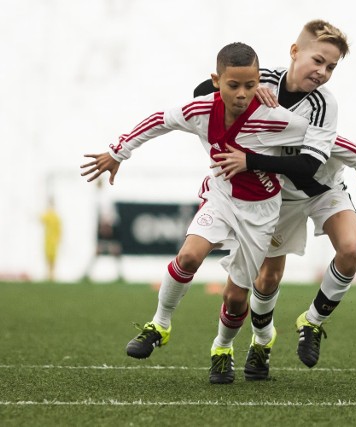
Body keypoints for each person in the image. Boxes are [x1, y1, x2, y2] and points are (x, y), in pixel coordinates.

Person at [80, 42, 327, 385]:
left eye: (251, 85)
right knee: (189, 256)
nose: (242, 94)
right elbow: (158, 120)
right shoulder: (200, 111)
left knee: (237, 295)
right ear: (216, 80)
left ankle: (222, 348)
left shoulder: (274, 119)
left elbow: (325, 141)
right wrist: (118, 152)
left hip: (261, 213)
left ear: (260, 82)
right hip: (221, 199)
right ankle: (160, 324)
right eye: (234, 85)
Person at [204, 20, 356, 378]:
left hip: (321, 189)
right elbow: (205, 90)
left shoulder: (325, 104)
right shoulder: (260, 78)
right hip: (280, 197)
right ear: (295, 52)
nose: (323, 72)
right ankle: (261, 344)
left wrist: (249, 160)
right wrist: (247, 93)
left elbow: (310, 164)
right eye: (318, 60)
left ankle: (312, 322)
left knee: (352, 249)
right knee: (267, 280)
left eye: (331, 67)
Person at [82, 177, 124, 282]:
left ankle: (88, 273)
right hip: (107, 225)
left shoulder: (103, 196)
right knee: (107, 250)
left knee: (110, 249)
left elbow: (107, 213)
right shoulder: (101, 195)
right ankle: (119, 275)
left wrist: (106, 226)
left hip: (108, 226)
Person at [40, 197, 62, 281]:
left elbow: (59, 229)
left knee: (52, 258)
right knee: (49, 258)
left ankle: (51, 275)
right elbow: (41, 219)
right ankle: (50, 275)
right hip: (50, 240)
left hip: (52, 240)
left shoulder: (54, 216)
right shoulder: (52, 215)